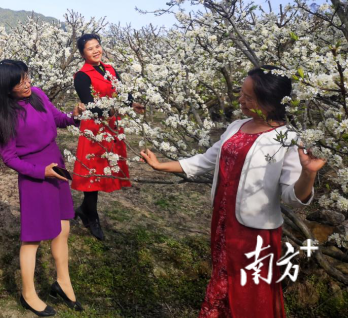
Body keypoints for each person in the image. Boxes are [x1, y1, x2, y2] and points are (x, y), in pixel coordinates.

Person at [139, 65, 325, 318]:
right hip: (223, 221)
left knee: (251, 288)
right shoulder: (237, 126)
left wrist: (309, 173)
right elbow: (205, 160)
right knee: (224, 278)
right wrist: (161, 165)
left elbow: (293, 197)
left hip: (255, 230)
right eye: (241, 93)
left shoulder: (288, 139)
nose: (241, 100)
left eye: (250, 97)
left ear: (271, 101)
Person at [0, 60, 85, 317]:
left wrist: (75, 116)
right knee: (32, 238)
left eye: (27, 77)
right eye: (20, 82)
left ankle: (63, 283)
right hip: (35, 175)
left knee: (63, 226)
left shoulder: (39, 94)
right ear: (6, 88)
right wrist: (39, 172)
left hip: (57, 167)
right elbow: (9, 157)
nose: (27, 83)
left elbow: (59, 120)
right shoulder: (4, 114)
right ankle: (28, 293)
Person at [72, 33, 144, 240]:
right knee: (92, 172)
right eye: (90, 48)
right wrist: (111, 110)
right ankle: (91, 217)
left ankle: (85, 210)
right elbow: (90, 104)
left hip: (112, 126)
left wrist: (132, 104)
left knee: (105, 170)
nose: (96, 51)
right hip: (95, 128)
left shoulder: (111, 69)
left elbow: (122, 93)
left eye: (97, 46)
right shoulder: (82, 76)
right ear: (83, 53)